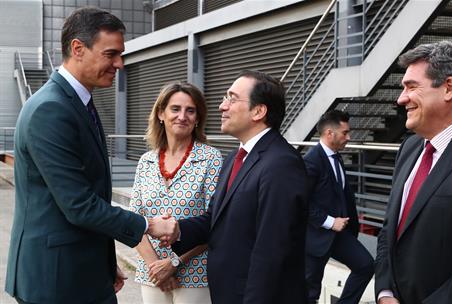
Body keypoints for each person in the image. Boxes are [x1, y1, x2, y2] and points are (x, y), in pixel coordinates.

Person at [5, 7, 177, 304]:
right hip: (57, 281)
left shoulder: (76, 102)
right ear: (77, 49)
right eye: (111, 54)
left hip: (79, 269)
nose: (119, 64)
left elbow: (90, 195)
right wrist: (147, 225)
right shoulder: (52, 110)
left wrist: (104, 262)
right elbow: (79, 205)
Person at [157, 70, 313, 304]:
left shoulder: (282, 164)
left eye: (231, 98)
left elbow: (272, 252)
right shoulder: (235, 158)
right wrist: (177, 229)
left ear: (258, 111)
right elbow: (216, 219)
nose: (222, 106)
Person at [375, 40, 452, 304]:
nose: (401, 99)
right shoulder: (409, 149)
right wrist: (385, 292)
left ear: (449, 88)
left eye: (411, 87)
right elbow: (389, 231)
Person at [129, 81, 222, 304]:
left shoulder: (211, 159)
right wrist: (157, 269)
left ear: (198, 118)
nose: (183, 116)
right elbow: (134, 220)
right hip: (151, 273)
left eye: (190, 110)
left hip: (195, 274)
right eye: (175, 109)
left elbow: (217, 220)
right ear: (161, 113)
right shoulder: (146, 162)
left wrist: (173, 264)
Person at [303, 110, 374, 303]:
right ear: (329, 134)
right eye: (345, 133)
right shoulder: (311, 162)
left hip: (340, 235)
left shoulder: (336, 156)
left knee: (366, 265)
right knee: (310, 294)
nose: (348, 137)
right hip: (316, 236)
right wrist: (330, 221)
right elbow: (302, 202)